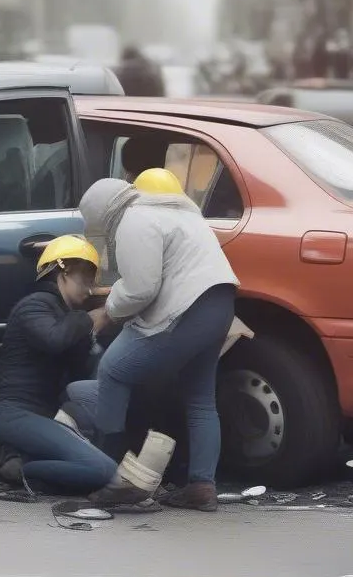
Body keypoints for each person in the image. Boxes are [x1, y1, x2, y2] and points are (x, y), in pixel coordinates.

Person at [67, 177, 239, 512]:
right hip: (220, 305)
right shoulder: (174, 210)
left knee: (113, 370)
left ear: (104, 213)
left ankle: (112, 475)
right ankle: (202, 487)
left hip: (186, 311)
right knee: (201, 399)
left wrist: (109, 309)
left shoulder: (133, 219)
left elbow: (142, 288)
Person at [0, 235, 118, 493]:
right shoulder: (34, 305)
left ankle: (23, 460)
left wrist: (93, 336)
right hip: (13, 413)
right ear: (63, 271)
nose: (90, 286)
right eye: (85, 277)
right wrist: (88, 320)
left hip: (44, 415)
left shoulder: (66, 316)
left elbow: (79, 373)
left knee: (99, 465)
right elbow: (53, 339)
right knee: (104, 471)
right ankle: (18, 470)